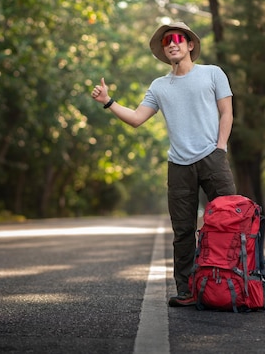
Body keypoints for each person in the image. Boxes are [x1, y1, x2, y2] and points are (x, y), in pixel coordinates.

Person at [91, 21, 236, 307]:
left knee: (228, 221)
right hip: (179, 166)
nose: (172, 43)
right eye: (166, 40)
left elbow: (227, 112)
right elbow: (136, 118)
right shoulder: (159, 86)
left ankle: (235, 282)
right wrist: (108, 101)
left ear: (190, 44)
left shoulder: (212, 74)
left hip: (212, 158)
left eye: (178, 38)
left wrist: (220, 149)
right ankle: (187, 291)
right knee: (183, 231)